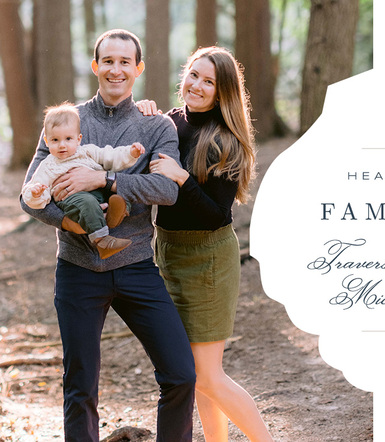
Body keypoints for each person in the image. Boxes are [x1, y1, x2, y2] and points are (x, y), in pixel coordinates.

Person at [20, 29, 196, 441]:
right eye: (108, 61)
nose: (116, 70)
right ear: (96, 66)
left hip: (136, 265)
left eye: (125, 62)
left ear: (138, 69)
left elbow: (167, 190)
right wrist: (70, 223)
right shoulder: (66, 122)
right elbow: (29, 196)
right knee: (80, 386)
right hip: (78, 269)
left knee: (181, 374)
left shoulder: (155, 126)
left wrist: (106, 178)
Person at [137, 46, 273, 441]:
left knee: (208, 375)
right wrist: (140, 114)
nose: (196, 85)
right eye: (193, 74)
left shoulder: (226, 140)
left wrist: (182, 178)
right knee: (193, 375)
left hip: (208, 259)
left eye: (208, 81)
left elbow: (216, 214)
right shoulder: (168, 123)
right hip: (168, 251)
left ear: (222, 91)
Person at [22, 103, 143, 259]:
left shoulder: (88, 151)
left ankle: (117, 213)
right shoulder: (48, 165)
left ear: (78, 139)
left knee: (119, 191)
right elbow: (33, 189)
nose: (62, 145)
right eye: (55, 140)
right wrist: (36, 193)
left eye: (68, 138)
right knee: (87, 203)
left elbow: (110, 156)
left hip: (98, 191)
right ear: (46, 141)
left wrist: (130, 153)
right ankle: (102, 242)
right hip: (73, 198)